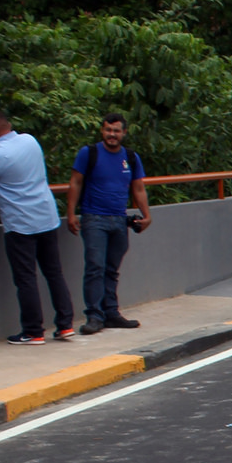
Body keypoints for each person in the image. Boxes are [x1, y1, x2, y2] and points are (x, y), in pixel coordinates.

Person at [0, 109, 75, 344]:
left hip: (21, 224)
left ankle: (33, 331)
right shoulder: (30, 141)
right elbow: (19, 176)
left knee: (26, 278)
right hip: (46, 217)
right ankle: (65, 325)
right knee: (54, 273)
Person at [65, 111, 151, 334]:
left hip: (119, 219)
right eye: (107, 130)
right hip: (94, 218)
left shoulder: (130, 157)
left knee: (112, 269)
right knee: (95, 267)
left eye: (116, 131)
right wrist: (71, 214)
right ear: (102, 131)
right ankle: (94, 316)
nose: (111, 134)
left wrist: (146, 215)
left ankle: (111, 313)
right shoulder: (89, 153)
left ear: (123, 132)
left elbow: (138, 187)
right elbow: (75, 182)